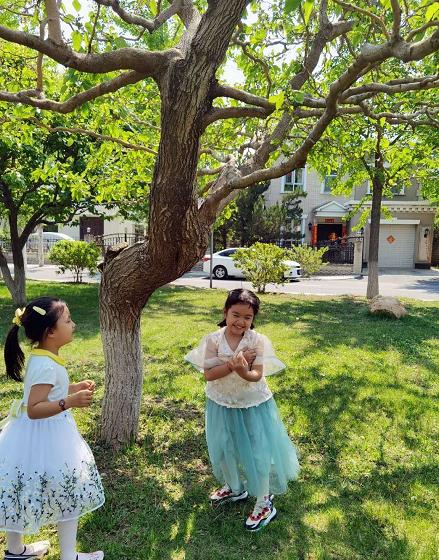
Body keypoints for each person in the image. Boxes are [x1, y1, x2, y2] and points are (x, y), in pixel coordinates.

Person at [185, 288, 299, 532]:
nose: (241, 321)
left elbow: (256, 375)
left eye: (247, 317)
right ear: (225, 312)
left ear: (253, 319)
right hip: (221, 402)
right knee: (224, 447)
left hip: (252, 404)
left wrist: (241, 370)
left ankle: (264, 500)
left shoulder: (257, 341)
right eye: (235, 314)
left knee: (258, 452)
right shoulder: (213, 340)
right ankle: (235, 487)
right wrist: (231, 364)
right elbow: (208, 374)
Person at [0, 297, 105, 560]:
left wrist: (72, 387)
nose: (74, 324)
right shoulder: (46, 364)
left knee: (21, 488)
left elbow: (47, 391)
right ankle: (68, 555)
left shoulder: (43, 357)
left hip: (28, 436)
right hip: (47, 436)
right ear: (51, 332)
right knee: (68, 487)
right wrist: (68, 401)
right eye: (68, 320)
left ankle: (16, 551)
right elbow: (35, 408)